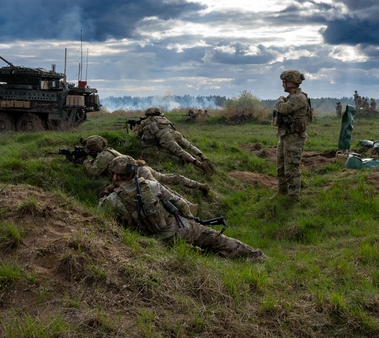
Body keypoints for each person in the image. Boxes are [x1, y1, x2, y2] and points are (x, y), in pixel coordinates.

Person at [99, 156, 264, 260]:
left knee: (191, 248)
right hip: (178, 228)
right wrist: (191, 220)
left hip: (151, 243)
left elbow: (106, 227)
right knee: (216, 239)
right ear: (134, 172)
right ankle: (256, 257)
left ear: (114, 175)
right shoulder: (152, 185)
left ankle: (203, 255)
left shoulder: (111, 201)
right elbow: (180, 203)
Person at [80, 135, 210, 200]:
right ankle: (200, 186)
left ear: (93, 148)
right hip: (141, 168)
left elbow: (93, 171)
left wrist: (84, 161)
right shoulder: (110, 151)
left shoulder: (103, 156)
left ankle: (184, 204)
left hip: (138, 174)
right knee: (170, 178)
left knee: (162, 191)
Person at [134, 108, 214, 172]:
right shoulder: (164, 119)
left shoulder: (146, 121)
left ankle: (200, 165)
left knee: (179, 151)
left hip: (165, 137)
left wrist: (136, 127)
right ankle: (204, 157)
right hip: (175, 133)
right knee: (189, 145)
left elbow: (137, 135)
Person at [273, 70, 312, 198]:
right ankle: (282, 193)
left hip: (294, 138)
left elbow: (284, 109)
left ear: (291, 83)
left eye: (284, 82)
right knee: (281, 167)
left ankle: (293, 197)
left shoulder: (298, 98)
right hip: (285, 136)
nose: (283, 84)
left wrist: (279, 101)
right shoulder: (291, 97)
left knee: (291, 168)